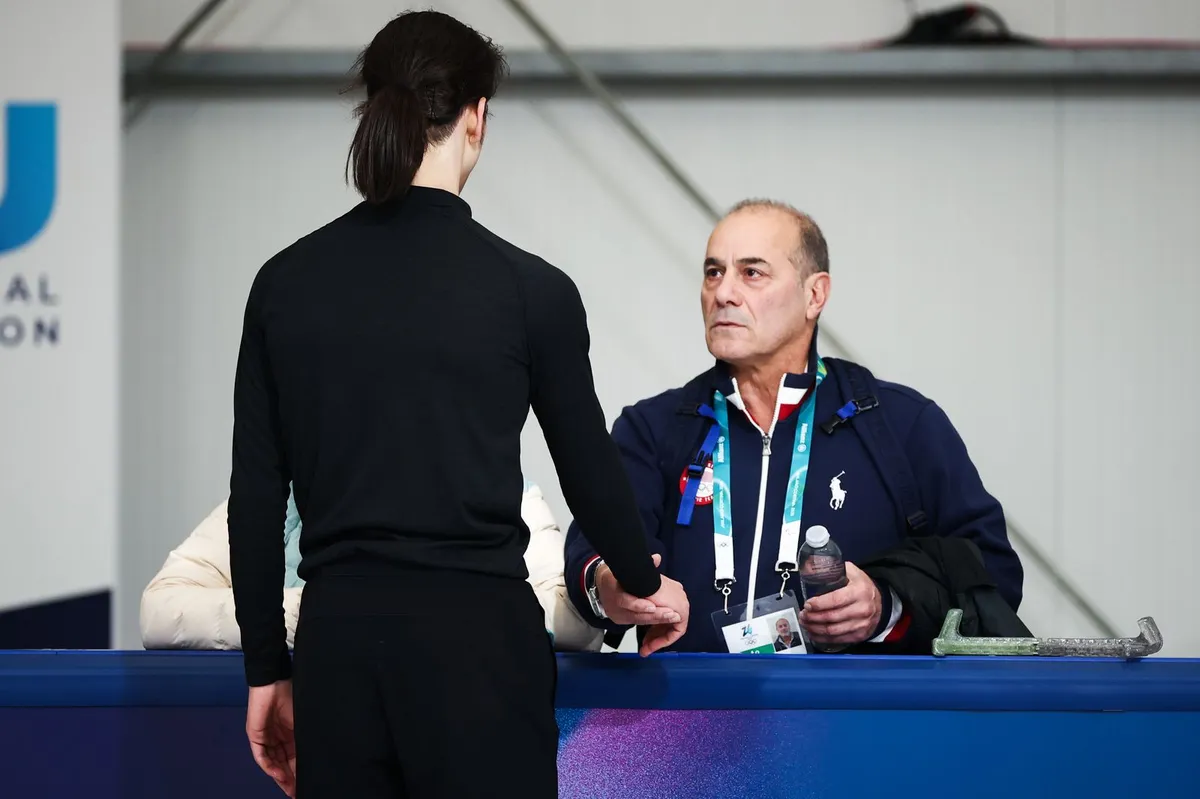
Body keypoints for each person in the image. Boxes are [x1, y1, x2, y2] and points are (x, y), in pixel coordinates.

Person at [225, 11, 689, 799]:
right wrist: (644, 581)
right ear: (477, 117)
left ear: (372, 108)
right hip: (478, 654)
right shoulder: (530, 291)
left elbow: (257, 495)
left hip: (340, 653)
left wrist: (266, 667)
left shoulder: (284, 284)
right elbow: (590, 472)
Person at [565, 198, 1023, 655]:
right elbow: (591, 554)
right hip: (689, 699)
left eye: (752, 272)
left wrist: (888, 607)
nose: (723, 293)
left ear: (814, 295)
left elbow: (992, 574)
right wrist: (608, 588)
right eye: (713, 272)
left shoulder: (901, 424)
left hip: (851, 702)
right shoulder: (653, 427)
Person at [141, 482, 604, 653]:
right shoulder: (276, 499)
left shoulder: (508, 496)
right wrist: (323, 613)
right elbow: (162, 610)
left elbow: (576, 621)